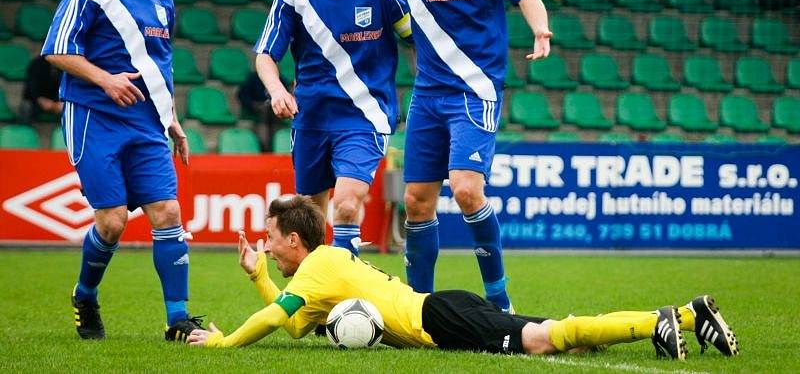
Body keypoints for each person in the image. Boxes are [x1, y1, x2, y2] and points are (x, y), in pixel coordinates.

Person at [303, 0, 551, 312]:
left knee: (467, 189)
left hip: (474, 89)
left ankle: (500, 301)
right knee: (417, 201)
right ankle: (419, 307)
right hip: (428, 94)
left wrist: (540, 29)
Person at [185, 195, 740, 363]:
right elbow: (295, 329)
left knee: (546, 338)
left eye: (270, 238)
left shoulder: (320, 264)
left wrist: (225, 341)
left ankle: (660, 323)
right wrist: (259, 276)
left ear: (295, 241)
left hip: (440, 319)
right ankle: (688, 315)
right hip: (441, 311)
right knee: (549, 337)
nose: (265, 244)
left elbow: (272, 319)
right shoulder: (320, 272)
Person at [40, 0, 202, 342]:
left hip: (148, 123)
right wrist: (105, 79)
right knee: (111, 221)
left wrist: (173, 120)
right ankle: (86, 295)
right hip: (95, 116)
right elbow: (55, 51)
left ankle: (179, 319)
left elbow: (159, 69)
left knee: (168, 212)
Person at [254, 0, 411, 256]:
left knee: (346, 203)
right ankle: (314, 300)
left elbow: (418, 39)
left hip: (364, 117)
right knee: (310, 216)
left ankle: (346, 296)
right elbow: (265, 55)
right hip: (311, 118)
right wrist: (277, 90)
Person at [236, 71, 283, 151]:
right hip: (257, 109)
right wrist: (253, 105)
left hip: (274, 110)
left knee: (272, 111)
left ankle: (273, 143)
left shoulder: (279, 78)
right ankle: (264, 143)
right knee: (264, 111)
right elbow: (242, 95)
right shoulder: (253, 78)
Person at [20, 55, 63, 124]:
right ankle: (25, 131)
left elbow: (63, 87)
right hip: (36, 100)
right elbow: (30, 87)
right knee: (26, 106)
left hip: (55, 102)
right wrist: (40, 99)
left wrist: (58, 102)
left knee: (69, 107)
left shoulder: (63, 65)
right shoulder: (37, 64)